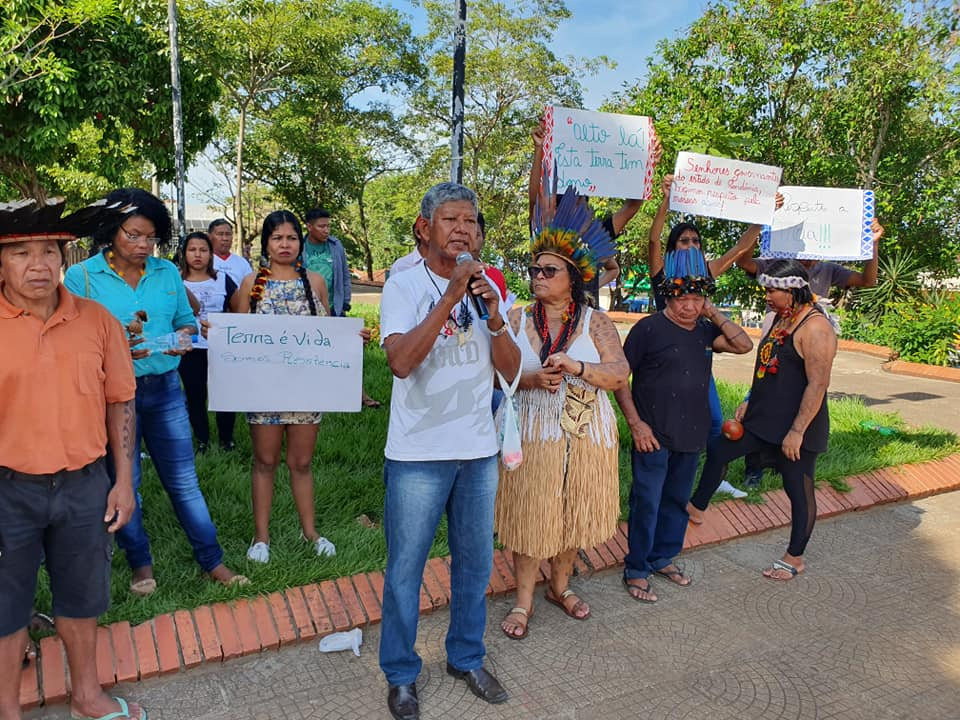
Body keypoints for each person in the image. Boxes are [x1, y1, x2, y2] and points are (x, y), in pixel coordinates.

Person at [0, 198, 146, 720]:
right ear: (2, 263)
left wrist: (123, 481)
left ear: (65, 259)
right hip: (8, 487)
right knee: (6, 602)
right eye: (20, 254)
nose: (37, 265)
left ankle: (86, 694)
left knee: (83, 596)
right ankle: (8, 707)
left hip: (85, 484)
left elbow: (120, 401)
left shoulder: (97, 321)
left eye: (48, 252)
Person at [378, 183, 520, 720]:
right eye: (451, 220)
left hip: (478, 451)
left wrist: (494, 316)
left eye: (471, 222)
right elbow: (401, 361)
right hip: (417, 454)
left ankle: (465, 657)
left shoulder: (490, 288)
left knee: (475, 565)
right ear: (424, 228)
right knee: (406, 571)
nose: (463, 230)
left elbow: (509, 371)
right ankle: (400, 674)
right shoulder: (402, 282)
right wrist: (451, 294)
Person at [64, 188, 245, 596]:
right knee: (127, 483)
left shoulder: (165, 274)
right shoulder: (83, 277)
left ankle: (211, 561)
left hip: (165, 390)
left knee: (184, 482)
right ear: (111, 232)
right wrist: (118, 351)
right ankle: (140, 565)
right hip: (112, 398)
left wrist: (182, 337)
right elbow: (73, 343)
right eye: (134, 235)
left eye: (151, 237)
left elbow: (185, 321)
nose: (144, 245)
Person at [495, 188, 629, 640]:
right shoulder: (515, 319)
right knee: (532, 514)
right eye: (534, 269)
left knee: (573, 513)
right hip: (533, 430)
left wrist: (579, 367)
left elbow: (619, 372)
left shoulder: (596, 322)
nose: (537, 276)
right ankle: (523, 600)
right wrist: (530, 380)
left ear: (572, 277)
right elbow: (494, 375)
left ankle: (560, 586)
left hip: (586, 429)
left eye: (548, 270)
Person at [614, 248, 753, 602]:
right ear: (668, 297)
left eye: (696, 298)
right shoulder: (647, 329)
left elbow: (743, 344)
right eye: (682, 298)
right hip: (653, 435)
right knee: (647, 501)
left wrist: (714, 313)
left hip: (691, 433)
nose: (689, 306)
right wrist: (636, 424)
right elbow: (618, 379)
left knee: (676, 500)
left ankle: (663, 557)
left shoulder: (705, 332)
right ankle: (637, 567)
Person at [688, 260, 837, 581]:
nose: (766, 295)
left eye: (772, 290)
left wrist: (798, 431)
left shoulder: (816, 328)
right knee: (718, 449)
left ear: (793, 289)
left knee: (797, 487)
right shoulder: (779, 318)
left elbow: (818, 384)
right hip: (762, 417)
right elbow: (765, 365)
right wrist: (747, 401)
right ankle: (697, 507)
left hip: (798, 425)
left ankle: (794, 557)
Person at [647, 173, 781, 500]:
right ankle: (661, 480)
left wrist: (765, 214)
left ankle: (712, 479)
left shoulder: (706, 271)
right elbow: (652, 239)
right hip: (663, 360)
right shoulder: (662, 270)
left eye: (696, 241)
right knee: (663, 426)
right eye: (684, 241)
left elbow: (740, 249)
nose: (691, 245)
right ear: (673, 246)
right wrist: (666, 198)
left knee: (714, 423)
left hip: (698, 355)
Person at [734, 219, 884, 485]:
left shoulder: (828, 270)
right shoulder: (777, 263)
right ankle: (754, 465)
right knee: (765, 388)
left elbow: (866, 279)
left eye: (817, 254)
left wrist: (873, 245)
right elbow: (743, 261)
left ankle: (788, 456)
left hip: (810, 341)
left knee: (803, 391)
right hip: (778, 339)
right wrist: (757, 223)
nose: (812, 261)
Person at [236, 211, 339, 564]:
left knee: (302, 461)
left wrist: (352, 339)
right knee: (265, 460)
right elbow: (233, 335)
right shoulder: (252, 284)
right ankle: (261, 537)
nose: (284, 244)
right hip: (263, 389)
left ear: (301, 242)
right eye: (277, 238)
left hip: (306, 388)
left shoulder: (315, 282)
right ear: (266, 243)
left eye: (291, 238)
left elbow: (330, 332)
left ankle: (309, 531)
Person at [528, 118, 663, 309]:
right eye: (570, 206)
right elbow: (534, 200)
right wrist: (539, 149)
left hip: (585, 328)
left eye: (581, 204)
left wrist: (648, 165)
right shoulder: (546, 237)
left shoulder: (595, 235)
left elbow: (631, 207)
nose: (578, 212)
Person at [303, 207, 381, 409]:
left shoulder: (335, 246)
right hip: (307, 310)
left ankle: (360, 395)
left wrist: (345, 301)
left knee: (348, 354)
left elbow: (345, 276)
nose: (326, 230)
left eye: (328, 225)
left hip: (335, 309)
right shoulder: (299, 247)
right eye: (321, 226)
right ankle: (314, 396)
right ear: (309, 227)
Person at [177, 231, 240, 452]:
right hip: (190, 348)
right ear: (184, 254)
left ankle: (226, 439)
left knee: (224, 394)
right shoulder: (175, 281)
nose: (197, 255)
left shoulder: (223, 279)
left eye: (203, 250)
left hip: (220, 347)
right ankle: (202, 440)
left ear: (210, 254)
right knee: (195, 396)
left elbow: (238, 310)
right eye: (192, 250)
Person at [209, 218, 253, 287]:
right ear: (210, 237)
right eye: (220, 234)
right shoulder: (204, 261)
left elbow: (251, 287)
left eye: (228, 234)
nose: (225, 238)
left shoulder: (242, 263)